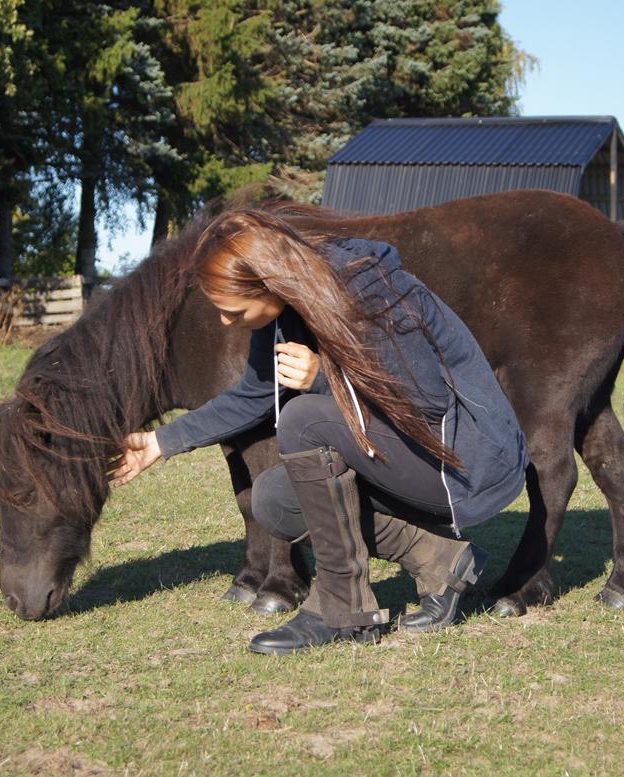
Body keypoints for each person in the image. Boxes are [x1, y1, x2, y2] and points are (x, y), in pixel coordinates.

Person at [112, 210, 528, 654]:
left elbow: (425, 399)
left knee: (303, 418)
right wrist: (160, 442)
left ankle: (340, 606)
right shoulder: (285, 308)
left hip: (463, 460)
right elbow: (253, 396)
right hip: (417, 452)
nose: (225, 322)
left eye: (232, 311)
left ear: (267, 283)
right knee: (276, 499)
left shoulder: (370, 293)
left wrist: (323, 376)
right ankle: (441, 560)